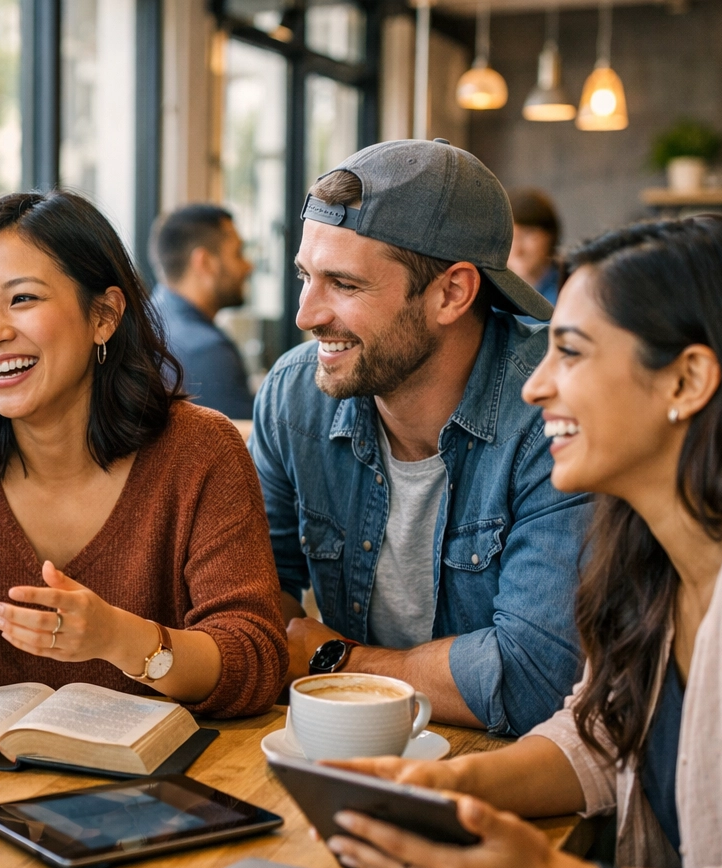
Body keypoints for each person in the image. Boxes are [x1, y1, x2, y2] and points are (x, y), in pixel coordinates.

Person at [324, 215, 722, 868]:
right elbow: (599, 730)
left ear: (687, 381)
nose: (534, 385)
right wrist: (448, 788)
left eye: (572, 352)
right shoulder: (646, 544)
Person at [0, 191, 286, 717]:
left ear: (105, 315)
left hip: (161, 785)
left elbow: (254, 659)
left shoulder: (201, 451)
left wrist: (119, 638)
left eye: (22, 299)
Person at [250, 138, 591, 737]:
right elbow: (252, 609)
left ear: (452, 293)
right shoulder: (295, 395)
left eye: (345, 285)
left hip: (520, 778)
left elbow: (537, 679)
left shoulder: (554, 409)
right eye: (305, 275)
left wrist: (335, 660)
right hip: (352, 752)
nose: (305, 314)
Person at [150, 204, 255, 419]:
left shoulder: (144, 321)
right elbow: (246, 448)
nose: (248, 266)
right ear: (205, 262)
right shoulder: (207, 351)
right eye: (238, 253)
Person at [508, 188, 561, 315]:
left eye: (527, 234)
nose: (517, 250)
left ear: (551, 236)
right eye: (509, 237)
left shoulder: (570, 290)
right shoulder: (489, 297)